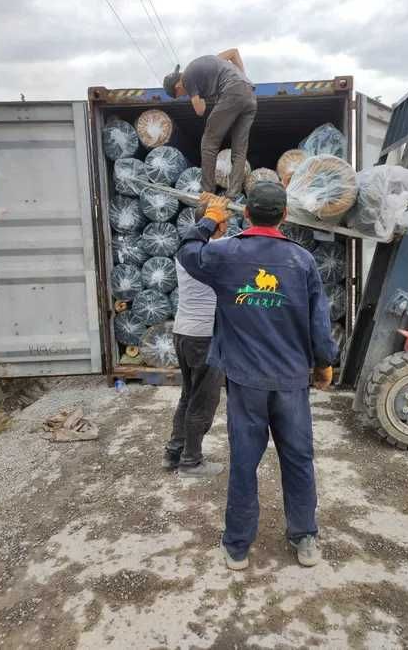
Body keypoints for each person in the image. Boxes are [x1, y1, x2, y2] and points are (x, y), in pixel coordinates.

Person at [176, 183, 337, 570]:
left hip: (246, 382)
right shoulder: (301, 261)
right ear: (284, 216)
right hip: (291, 381)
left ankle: (237, 546)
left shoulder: (225, 254)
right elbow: (319, 320)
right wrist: (324, 362)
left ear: (246, 214)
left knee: (245, 461)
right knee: (298, 459)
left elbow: (185, 251)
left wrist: (210, 219)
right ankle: (304, 538)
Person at [162, 206, 227, 478]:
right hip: (205, 337)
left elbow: (194, 237)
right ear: (216, 225)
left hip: (183, 332)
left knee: (188, 395)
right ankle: (191, 462)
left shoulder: (186, 251)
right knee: (203, 400)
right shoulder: (214, 252)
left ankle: (174, 451)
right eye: (225, 222)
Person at [163, 49, 257, 198]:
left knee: (208, 143)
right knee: (239, 149)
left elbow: (200, 110)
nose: (184, 95)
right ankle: (233, 193)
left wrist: (197, 97)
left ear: (177, 87)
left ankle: (207, 190)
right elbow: (233, 53)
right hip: (250, 95)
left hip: (232, 92)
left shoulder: (187, 78)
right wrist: (243, 76)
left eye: (180, 95)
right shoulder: (211, 62)